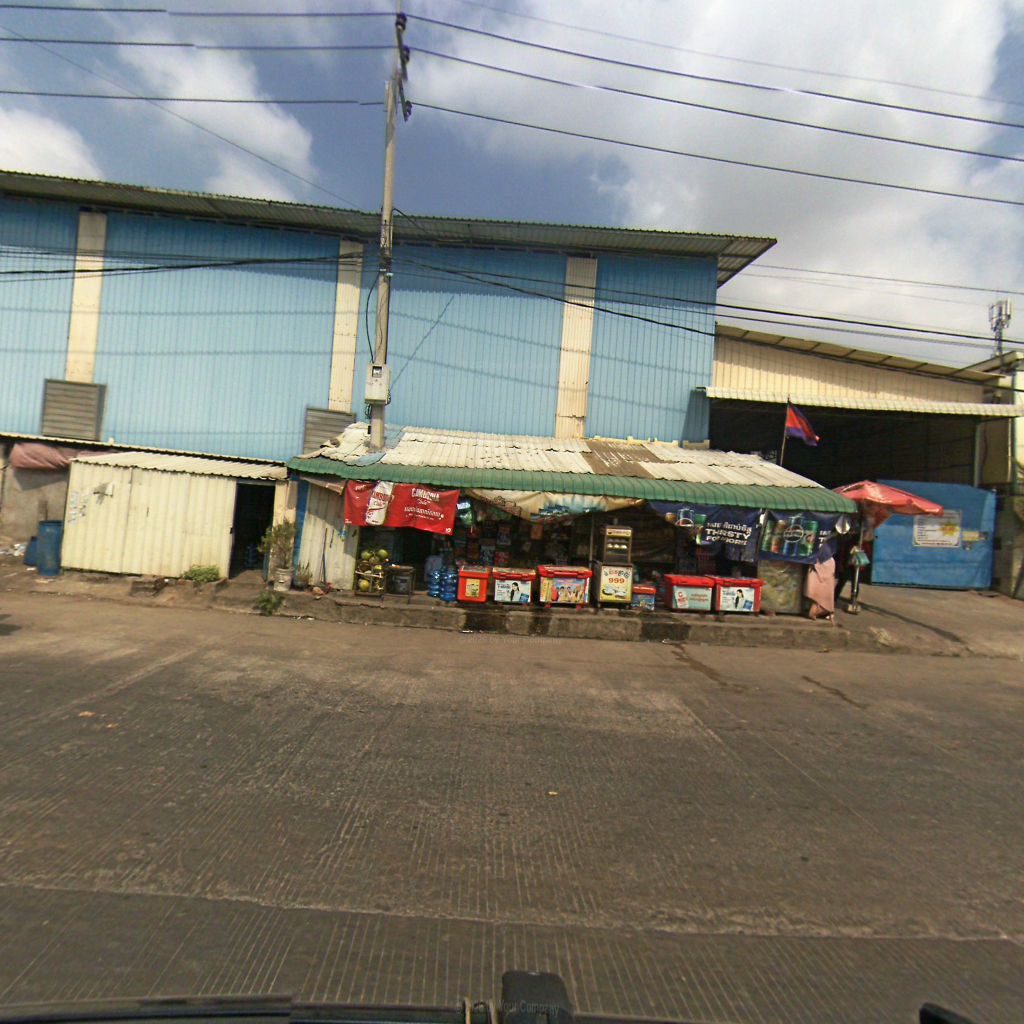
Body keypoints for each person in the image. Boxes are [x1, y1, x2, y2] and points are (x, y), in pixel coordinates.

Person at [804, 555, 836, 621]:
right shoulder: (830, 559)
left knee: (817, 596)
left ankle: (814, 609)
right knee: (824, 598)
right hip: (824, 568)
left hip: (817, 567)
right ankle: (816, 610)